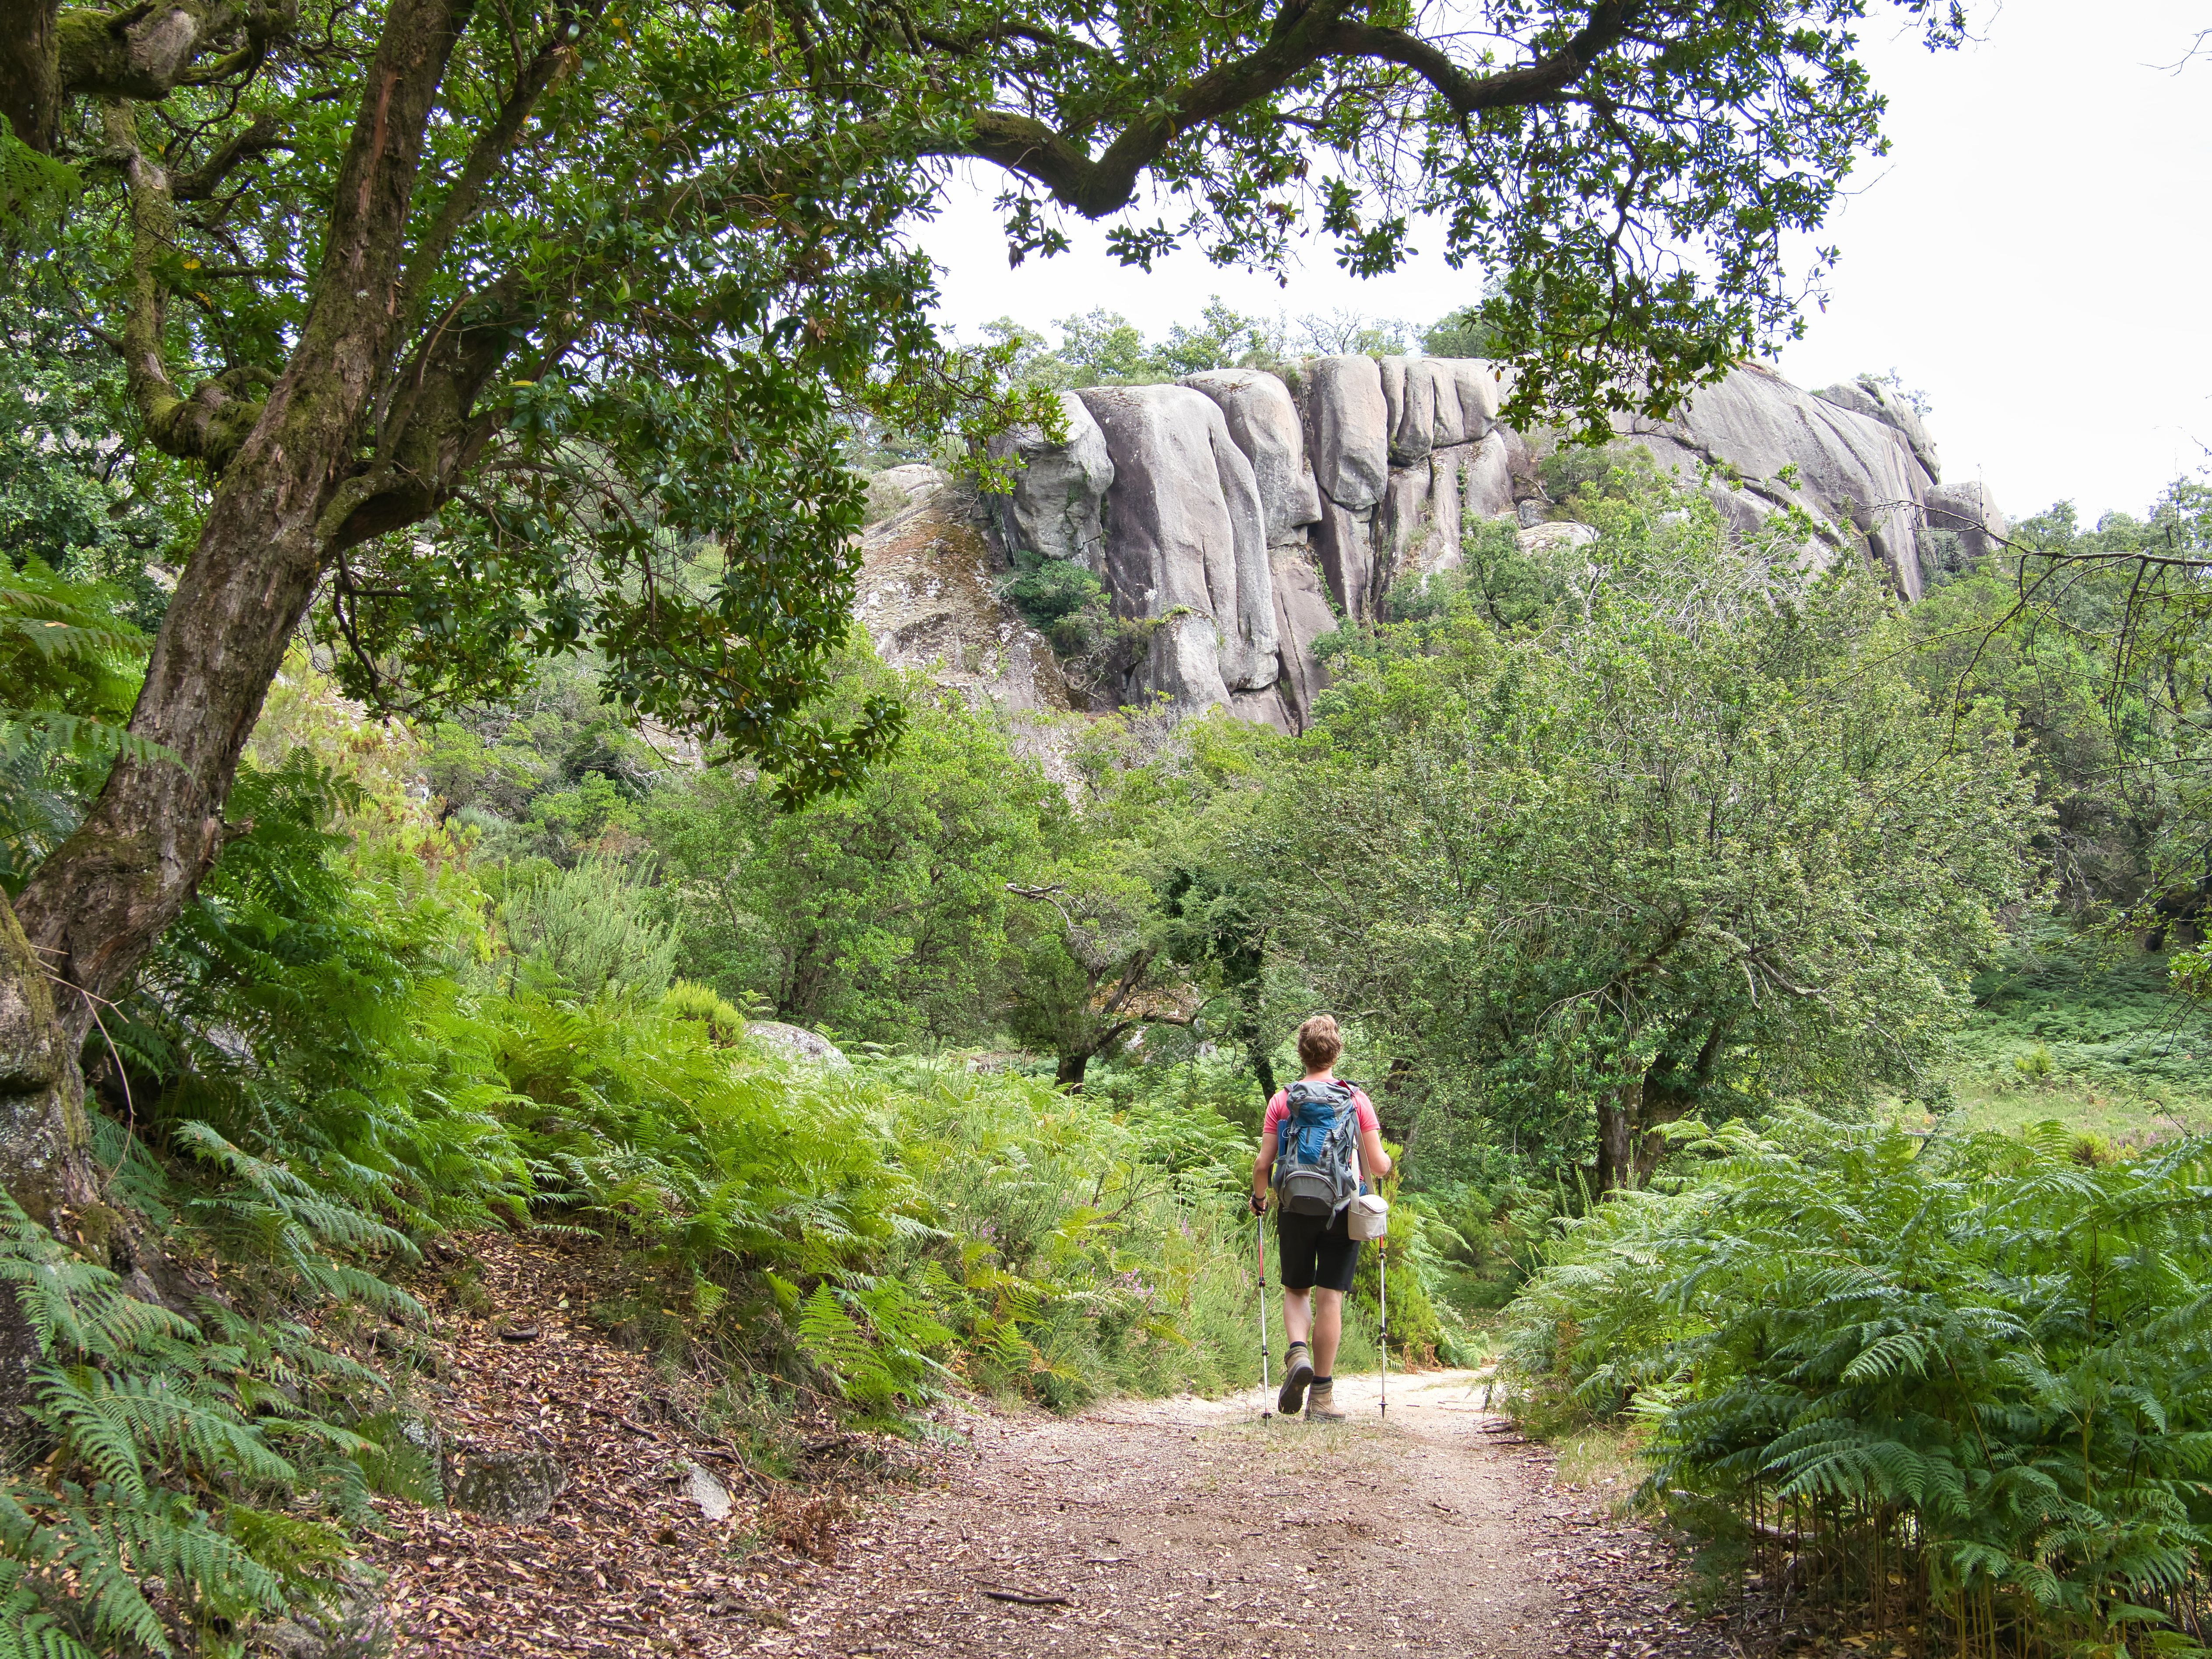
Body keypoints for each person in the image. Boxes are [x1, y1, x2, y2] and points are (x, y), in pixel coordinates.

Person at [1249, 1014, 1391, 1421]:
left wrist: (1260, 1199)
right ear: (1336, 1051)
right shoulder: (1355, 1099)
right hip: (1343, 1210)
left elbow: (1264, 1164)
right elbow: (1379, 1165)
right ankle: (1323, 1400)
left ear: (1301, 1053)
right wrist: (1381, 1168)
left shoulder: (1283, 1099)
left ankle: (1297, 1354)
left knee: (1297, 1290)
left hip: (1294, 1207)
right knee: (1331, 1297)